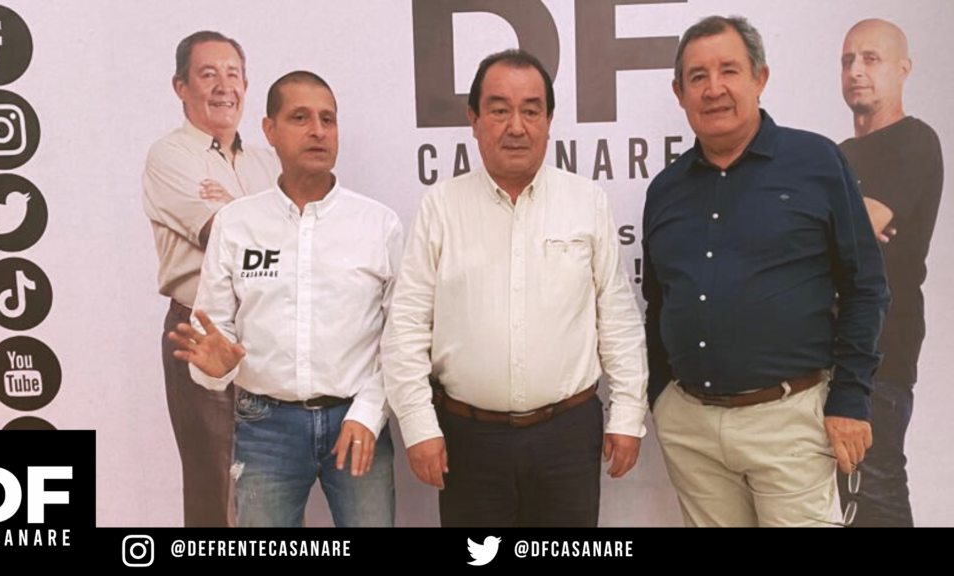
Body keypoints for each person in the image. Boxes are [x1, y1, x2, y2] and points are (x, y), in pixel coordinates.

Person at [383, 49, 648, 527]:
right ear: (474, 119)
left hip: (568, 437)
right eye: (500, 110)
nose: (516, 126)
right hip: (468, 440)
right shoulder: (441, 207)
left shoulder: (586, 201)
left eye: (531, 110)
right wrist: (419, 426)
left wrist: (628, 415)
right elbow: (406, 327)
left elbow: (617, 317)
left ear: (549, 120)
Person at [642, 15, 890, 527]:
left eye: (729, 71)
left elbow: (865, 286)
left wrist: (850, 397)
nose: (714, 89)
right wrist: (662, 396)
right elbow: (659, 301)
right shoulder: (665, 190)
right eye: (697, 77)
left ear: (760, 77)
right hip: (691, 429)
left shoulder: (816, 162)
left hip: (790, 424)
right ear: (679, 93)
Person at [169, 71, 400, 527]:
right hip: (264, 427)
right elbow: (213, 330)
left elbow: (399, 339)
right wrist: (215, 369)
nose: (318, 130)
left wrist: (369, 412)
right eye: (300, 118)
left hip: (357, 419)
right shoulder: (236, 223)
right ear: (269, 129)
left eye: (328, 120)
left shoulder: (378, 224)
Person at [142, 30, 279, 527]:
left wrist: (234, 209)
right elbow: (224, 237)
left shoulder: (267, 160)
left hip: (267, 329)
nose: (224, 86)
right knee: (216, 488)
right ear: (180, 87)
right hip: (202, 331)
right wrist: (256, 219)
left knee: (273, 484)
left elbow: (300, 240)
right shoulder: (170, 157)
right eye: (208, 74)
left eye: (233, 74)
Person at [837, 18, 944, 527]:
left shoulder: (915, 140)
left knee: (874, 492)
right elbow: (838, 235)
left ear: (903, 69)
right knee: (841, 500)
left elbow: (862, 228)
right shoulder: (837, 156)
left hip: (882, 356)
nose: (856, 70)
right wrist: (844, 225)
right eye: (847, 60)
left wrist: (845, 224)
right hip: (830, 356)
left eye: (871, 59)